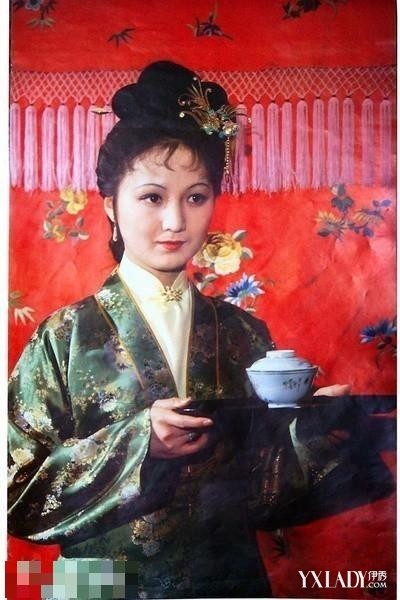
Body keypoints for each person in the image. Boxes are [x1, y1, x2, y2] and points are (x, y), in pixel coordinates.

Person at [8, 61, 393, 599]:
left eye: (195, 196)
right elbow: (14, 493)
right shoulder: (64, 337)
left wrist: (315, 432)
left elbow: (265, 498)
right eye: (152, 197)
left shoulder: (242, 333)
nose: (175, 221)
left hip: (228, 584)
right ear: (111, 207)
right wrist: (140, 443)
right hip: (102, 588)